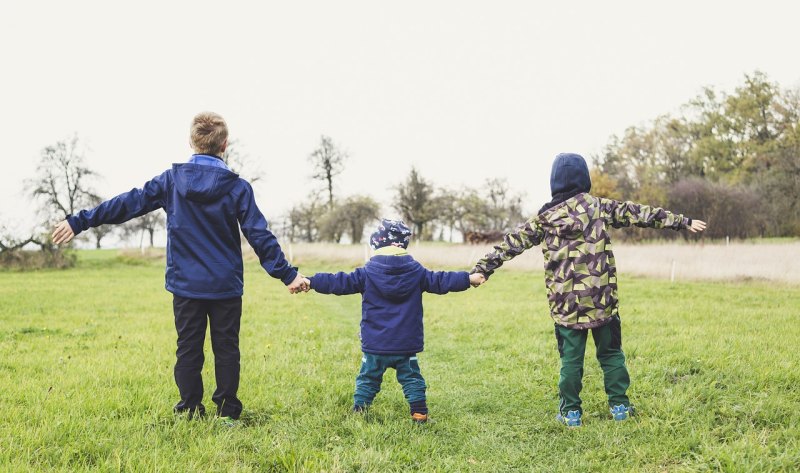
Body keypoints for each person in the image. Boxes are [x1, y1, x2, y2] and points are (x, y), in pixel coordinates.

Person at [51, 111, 307, 424]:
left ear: (190, 141)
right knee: (227, 349)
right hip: (225, 285)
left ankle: (189, 410)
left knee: (188, 349)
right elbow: (259, 235)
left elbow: (127, 203)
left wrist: (79, 221)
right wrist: (288, 274)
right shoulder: (238, 187)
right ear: (225, 145)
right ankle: (227, 413)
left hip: (186, 285)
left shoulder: (171, 181)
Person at [470, 153, 706, 427]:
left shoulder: (544, 219)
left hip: (566, 307)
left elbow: (511, 243)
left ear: (554, 183)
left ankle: (571, 413)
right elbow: (639, 213)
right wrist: (682, 221)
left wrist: (483, 268)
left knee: (571, 360)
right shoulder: (598, 207)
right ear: (585, 179)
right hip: (602, 300)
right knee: (611, 354)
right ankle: (619, 407)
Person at [299, 219, 484, 423]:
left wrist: (312, 281)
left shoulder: (367, 272)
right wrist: (468, 279)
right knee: (412, 379)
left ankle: (359, 410)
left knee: (368, 378)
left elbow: (338, 281)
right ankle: (419, 414)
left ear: (377, 244)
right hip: (405, 344)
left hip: (375, 344)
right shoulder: (417, 272)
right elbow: (441, 280)